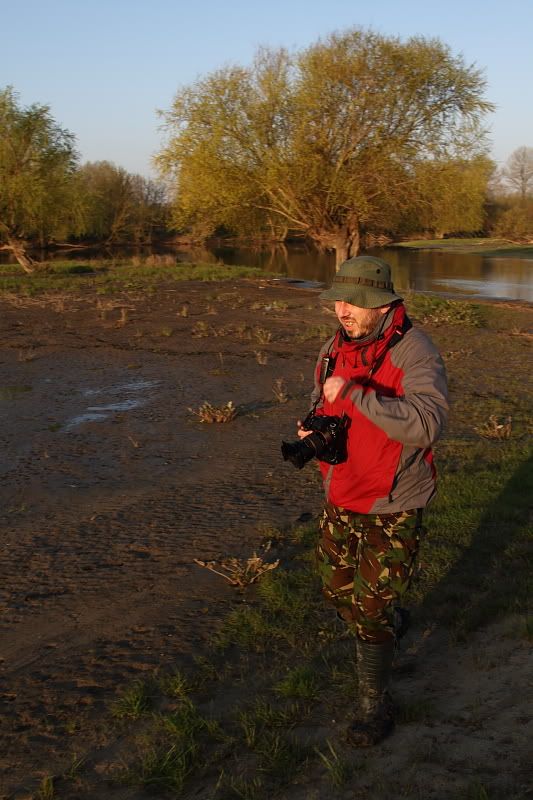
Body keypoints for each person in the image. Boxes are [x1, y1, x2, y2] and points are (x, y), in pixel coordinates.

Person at [298, 255, 448, 747]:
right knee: (336, 591)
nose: (343, 309)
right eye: (338, 299)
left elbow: (426, 425)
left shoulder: (416, 352)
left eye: (354, 301)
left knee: (368, 608)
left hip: (394, 500)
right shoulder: (331, 350)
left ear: (383, 304)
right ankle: (390, 621)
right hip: (342, 491)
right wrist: (313, 429)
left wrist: (358, 395)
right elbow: (326, 404)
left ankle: (374, 703)